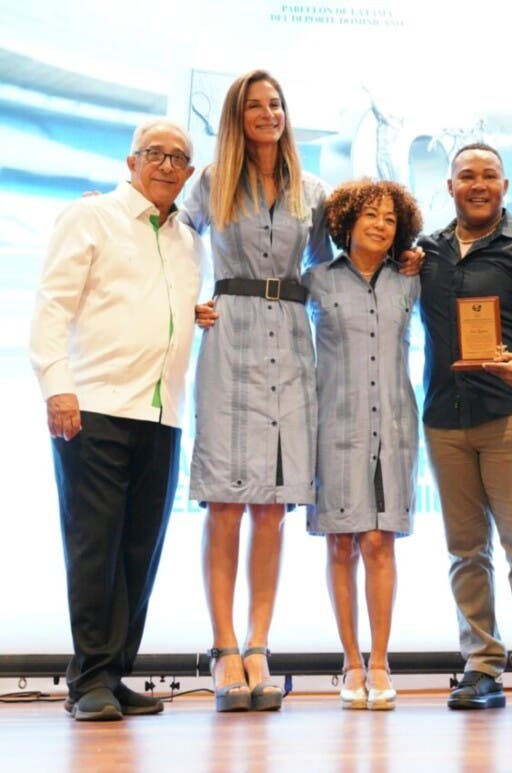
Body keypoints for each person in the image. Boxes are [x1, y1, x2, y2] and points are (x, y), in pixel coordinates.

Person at [29, 119, 202, 720]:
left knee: (138, 552)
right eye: (155, 153)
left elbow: (168, 308)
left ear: (188, 173)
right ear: (131, 162)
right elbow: (53, 304)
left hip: (163, 411)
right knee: (95, 547)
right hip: (95, 405)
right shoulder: (91, 216)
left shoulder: (189, 240)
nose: (167, 165)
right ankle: (89, 680)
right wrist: (57, 386)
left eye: (179, 158)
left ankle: (112, 672)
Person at [186, 69, 334, 712]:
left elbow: (331, 264)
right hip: (230, 339)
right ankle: (224, 649)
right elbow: (167, 237)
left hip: (292, 344)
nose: (268, 113)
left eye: (276, 103)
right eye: (254, 105)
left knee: (272, 506)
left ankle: (258, 646)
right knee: (225, 503)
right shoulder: (211, 180)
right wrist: (187, 300)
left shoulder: (313, 190)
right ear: (236, 116)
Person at [418, 143, 512, 711]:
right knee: (465, 550)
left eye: (488, 176)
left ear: (504, 185)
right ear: (450, 186)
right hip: (445, 418)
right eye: (466, 176)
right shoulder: (425, 252)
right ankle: (481, 666)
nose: (477, 185)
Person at [302, 179, 423, 710]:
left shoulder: (411, 280)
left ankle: (379, 661)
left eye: (390, 219)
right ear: (346, 222)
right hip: (335, 426)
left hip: (394, 426)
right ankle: (350, 662)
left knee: (379, 542)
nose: (380, 225)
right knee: (341, 544)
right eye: (370, 215)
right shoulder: (315, 280)